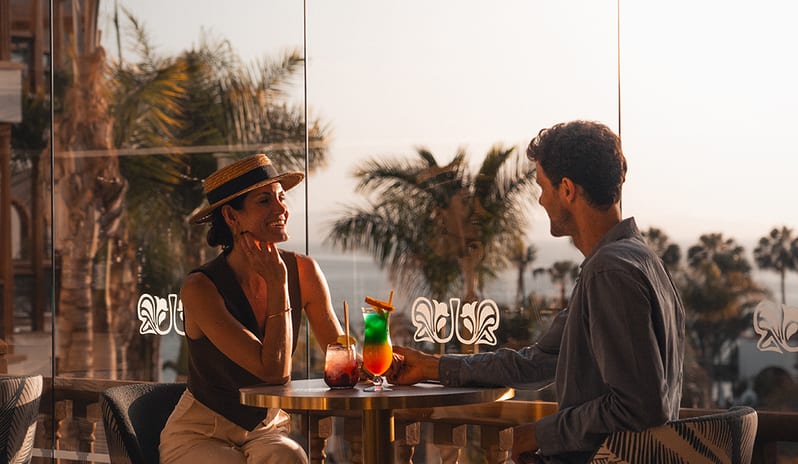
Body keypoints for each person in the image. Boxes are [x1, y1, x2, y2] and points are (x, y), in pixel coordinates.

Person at [387, 120, 685, 464]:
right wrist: (432, 366)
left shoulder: (609, 271)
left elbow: (640, 407)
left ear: (567, 189)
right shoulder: (640, 261)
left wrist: (542, 434)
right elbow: (536, 362)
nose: (541, 200)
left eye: (543, 187)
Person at [160, 154, 345, 464]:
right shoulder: (201, 288)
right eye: (264, 200)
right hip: (201, 432)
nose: (281, 209)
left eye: (281, 197)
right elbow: (274, 372)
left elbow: (340, 355)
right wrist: (277, 284)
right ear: (231, 216)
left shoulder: (304, 271)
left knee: (291, 455)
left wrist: (391, 363)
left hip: (264, 430)